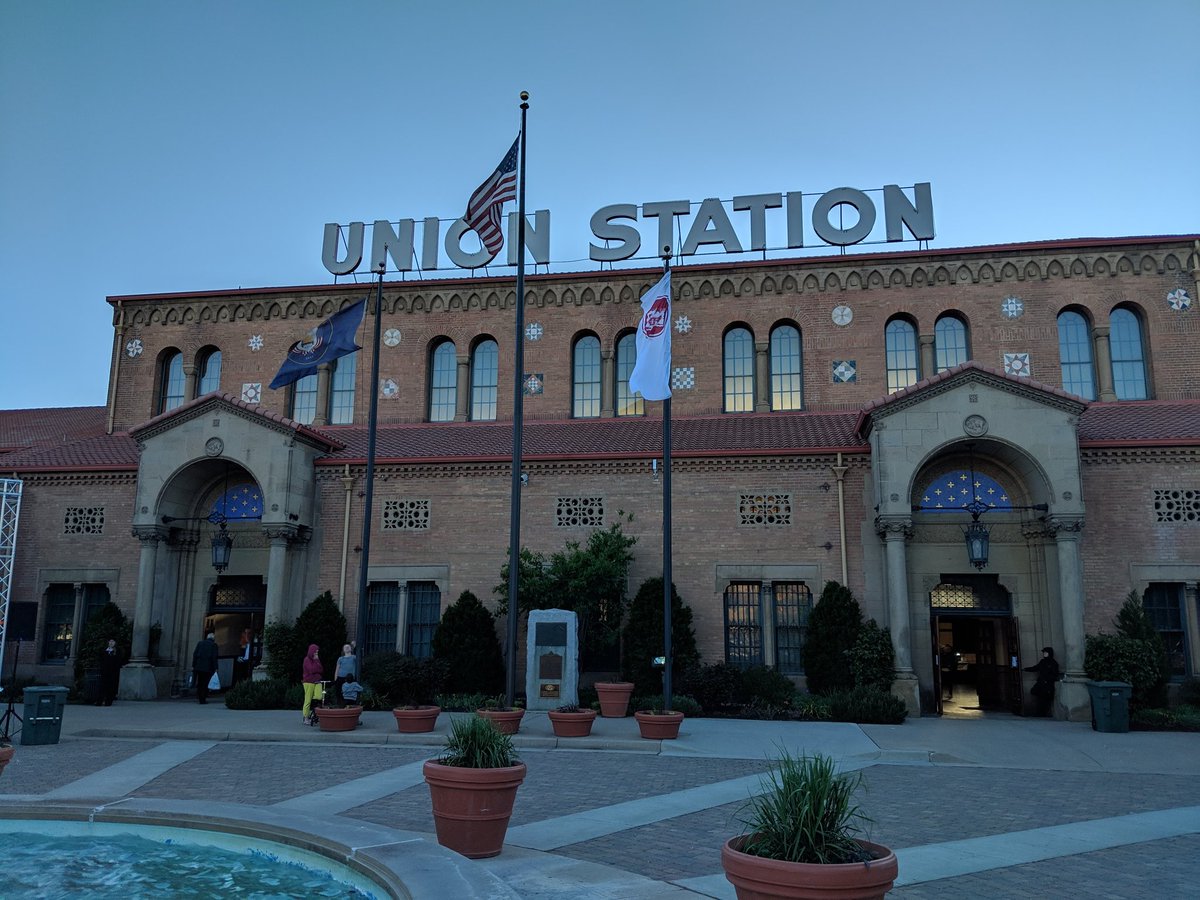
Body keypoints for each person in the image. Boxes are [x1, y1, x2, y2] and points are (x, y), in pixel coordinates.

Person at [1024, 646, 1060, 716]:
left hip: (1047, 684)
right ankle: (1039, 712)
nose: (1044, 654)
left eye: (1046, 652)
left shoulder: (1053, 663)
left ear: (1049, 653)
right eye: (1044, 653)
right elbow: (1036, 668)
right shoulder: (1042, 661)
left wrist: (1047, 680)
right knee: (1038, 696)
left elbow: (1055, 674)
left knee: (1044, 699)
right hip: (1041, 683)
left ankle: (1042, 713)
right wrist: (1026, 669)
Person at [192, 632, 219, 705]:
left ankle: (199, 696)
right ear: (213, 639)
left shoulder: (200, 643)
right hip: (208, 667)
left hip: (199, 666)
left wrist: (194, 665)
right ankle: (203, 698)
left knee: (200, 682)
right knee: (205, 683)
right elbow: (214, 657)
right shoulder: (213, 645)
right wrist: (216, 667)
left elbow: (195, 654)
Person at [302, 643, 323, 724]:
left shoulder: (317, 659)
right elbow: (312, 670)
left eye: (317, 652)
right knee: (307, 700)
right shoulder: (306, 659)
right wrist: (316, 665)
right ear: (311, 651)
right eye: (315, 652)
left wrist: (317, 660)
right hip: (308, 682)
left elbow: (321, 670)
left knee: (319, 696)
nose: (316, 653)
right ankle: (306, 717)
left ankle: (315, 712)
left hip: (317, 681)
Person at [97, 638, 121, 706]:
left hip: (113, 672)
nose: (111, 643)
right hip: (104, 671)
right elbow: (101, 659)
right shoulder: (104, 651)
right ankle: (100, 701)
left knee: (110, 687)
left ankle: (108, 701)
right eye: (110, 641)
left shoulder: (117, 651)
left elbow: (118, 661)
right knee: (102, 686)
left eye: (113, 641)